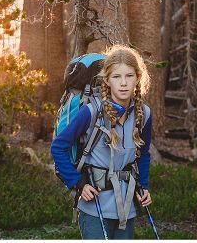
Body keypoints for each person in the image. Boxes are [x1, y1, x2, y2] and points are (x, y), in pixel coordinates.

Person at [51, 45, 154, 239]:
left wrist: (144, 186)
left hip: (127, 206)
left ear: (138, 78)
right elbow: (58, 147)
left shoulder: (144, 114)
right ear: (107, 80)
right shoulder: (91, 111)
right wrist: (78, 183)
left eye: (129, 76)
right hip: (94, 208)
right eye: (116, 77)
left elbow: (144, 154)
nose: (123, 83)